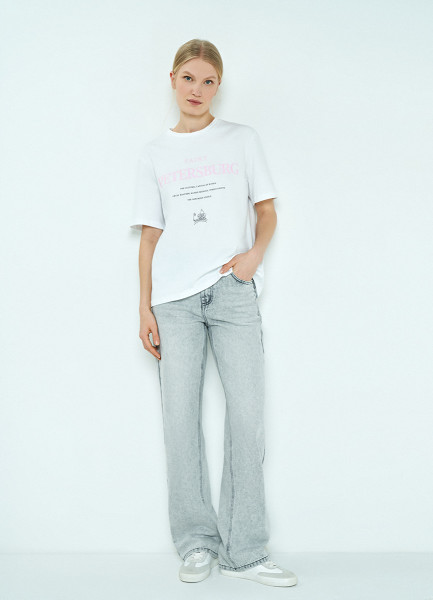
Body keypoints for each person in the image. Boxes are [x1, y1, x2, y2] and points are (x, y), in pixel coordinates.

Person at [130, 38, 298, 588]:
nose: (197, 90)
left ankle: (245, 551)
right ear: (172, 79)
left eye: (207, 81)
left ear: (217, 86)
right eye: (188, 78)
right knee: (180, 422)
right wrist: (144, 307)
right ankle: (197, 542)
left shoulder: (241, 139)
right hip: (173, 303)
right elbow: (149, 237)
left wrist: (252, 259)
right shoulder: (154, 154)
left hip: (232, 292)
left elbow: (266, 212)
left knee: (246, 419)